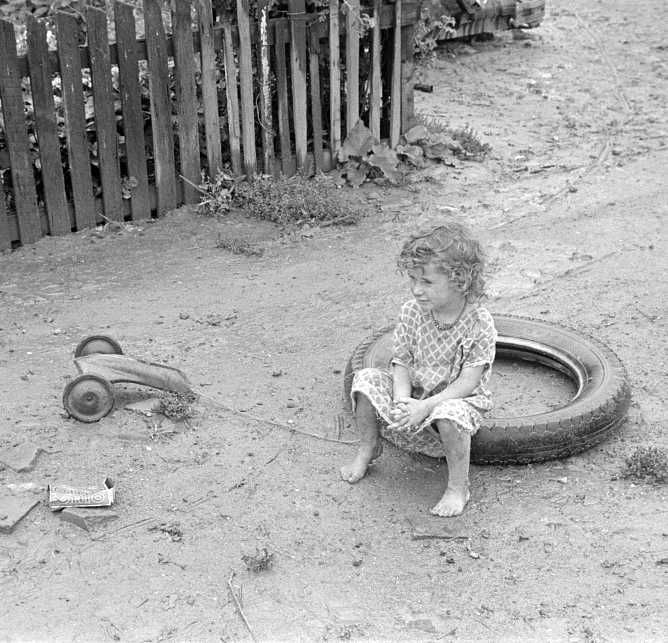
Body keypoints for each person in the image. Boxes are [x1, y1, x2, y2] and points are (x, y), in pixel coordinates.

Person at [340, 221, 497, 517]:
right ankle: (369, 448)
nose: (416, 290)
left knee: (450, 415)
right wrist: (402, 400)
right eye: (412, 280)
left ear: (460, 281)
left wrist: (425, 406)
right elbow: (401, 361)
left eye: (426, 282)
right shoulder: (412, 312)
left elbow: (468, 382)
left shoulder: (479, 322)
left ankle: (457, 487)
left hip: (454, 399)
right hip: (414, 392)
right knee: (364, 379)